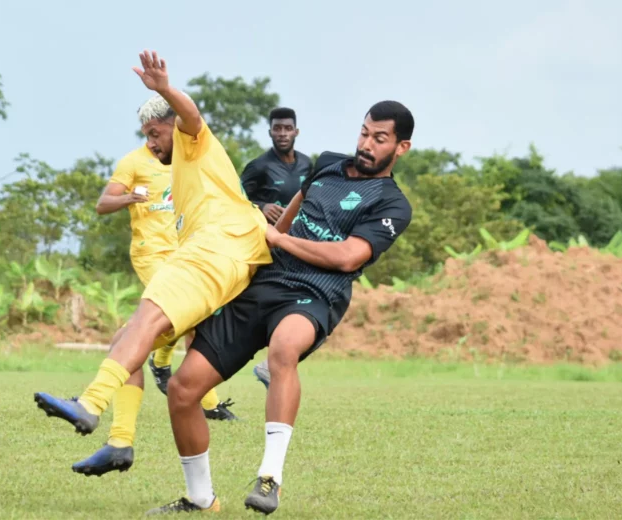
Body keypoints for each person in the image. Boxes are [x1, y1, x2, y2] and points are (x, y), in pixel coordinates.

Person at [145, 100, 415, 516]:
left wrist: (280, 240)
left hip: (316, 293)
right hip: (265, 283)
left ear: (401, 148)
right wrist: (265, 243)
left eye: (379, 139)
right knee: (182, 391)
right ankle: (200, 498)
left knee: (284, 350)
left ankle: (270, 478)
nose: (366, 143)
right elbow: (288, 215)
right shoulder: (326, 164)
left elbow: (347, 257)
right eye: (364, 132)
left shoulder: (393, 204)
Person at [32, 50, 272, 485]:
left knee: (144, 318)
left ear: (171, 127)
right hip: (226, 257)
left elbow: (192, 115)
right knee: (126, 338)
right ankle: (120, 442)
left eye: (154, 132)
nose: (150, 142)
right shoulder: (177, 168)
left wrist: (164, 88)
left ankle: (89, 403)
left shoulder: (192, 142)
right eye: (145, 134)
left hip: (217, 248)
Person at [239, 108, 313, 389]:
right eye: (277, 129)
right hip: (266, 248)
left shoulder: (308, 165)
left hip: (300, 247)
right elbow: (233, 199)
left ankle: (271, 364)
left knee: (306, 308)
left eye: (287, 128)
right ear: (270, 132)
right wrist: (261, 206)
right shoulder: (258, 166)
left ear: (296, 131)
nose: (282, 133)